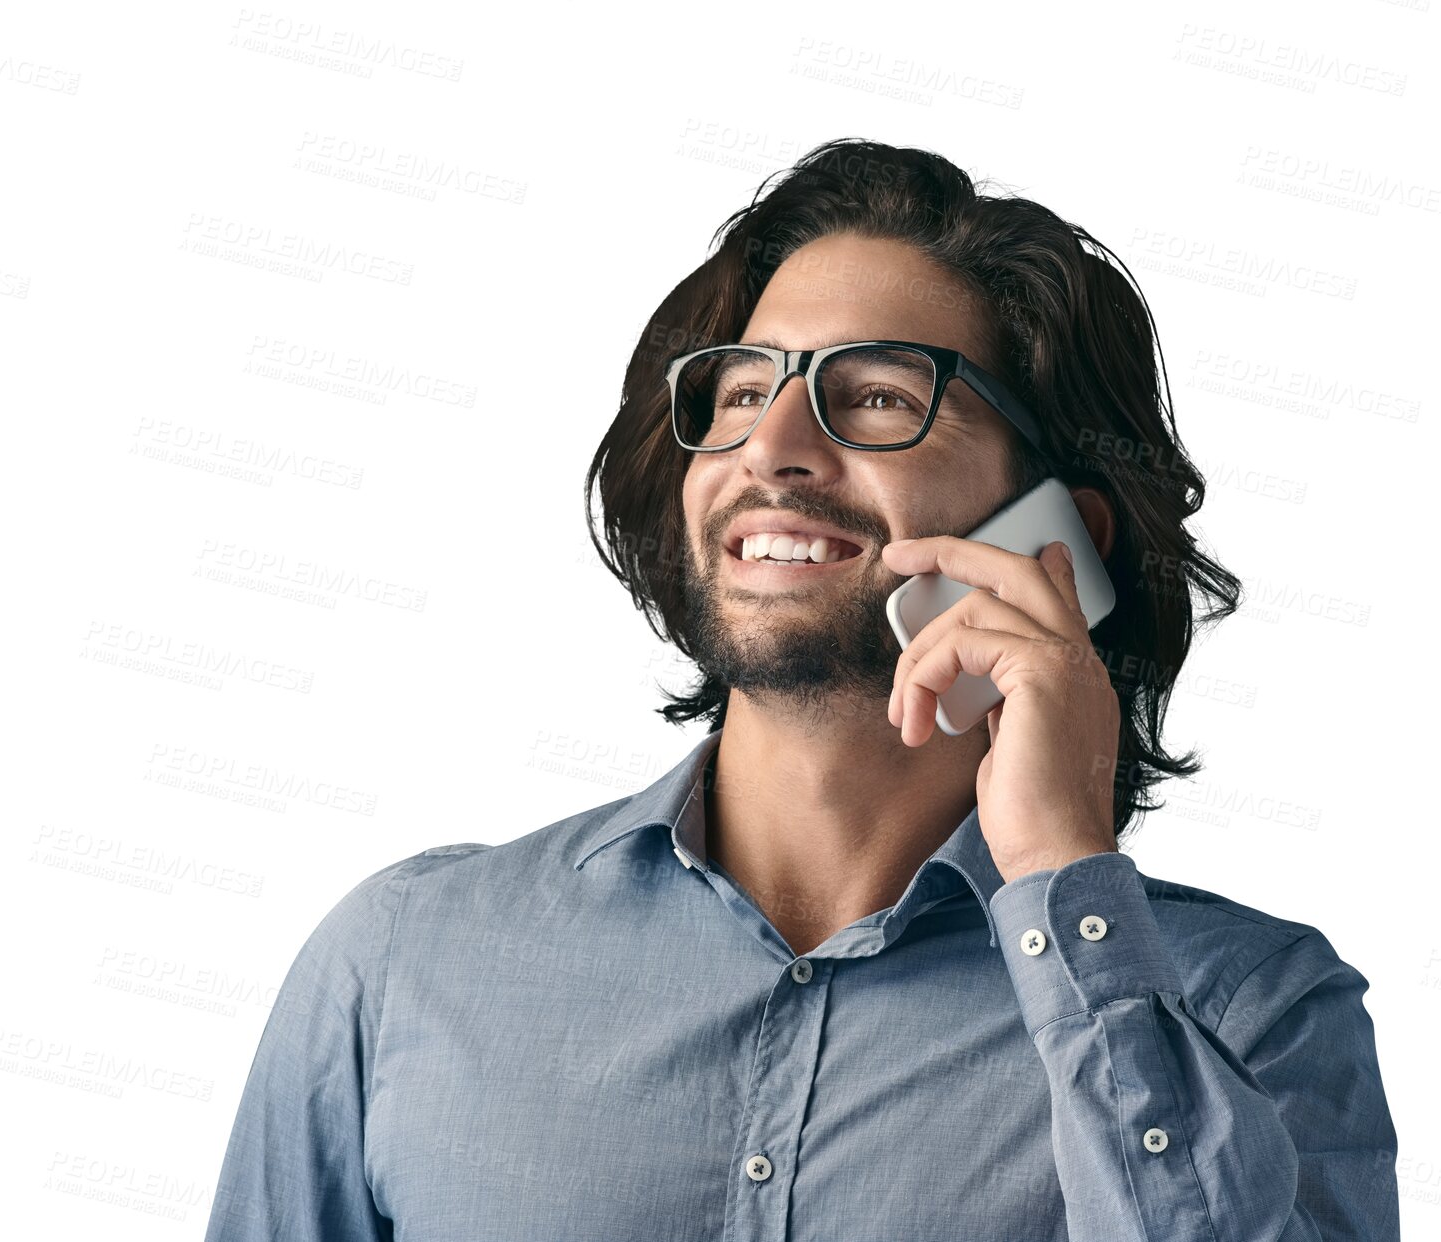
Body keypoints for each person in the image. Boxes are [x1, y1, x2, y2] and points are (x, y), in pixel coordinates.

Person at [205, 139, 1399, 1240]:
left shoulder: (1247, 1016)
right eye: (736, 393)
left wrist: (1055, 877)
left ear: (1056, 546)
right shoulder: (405, 959)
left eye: (877, 395)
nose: (773, 444)